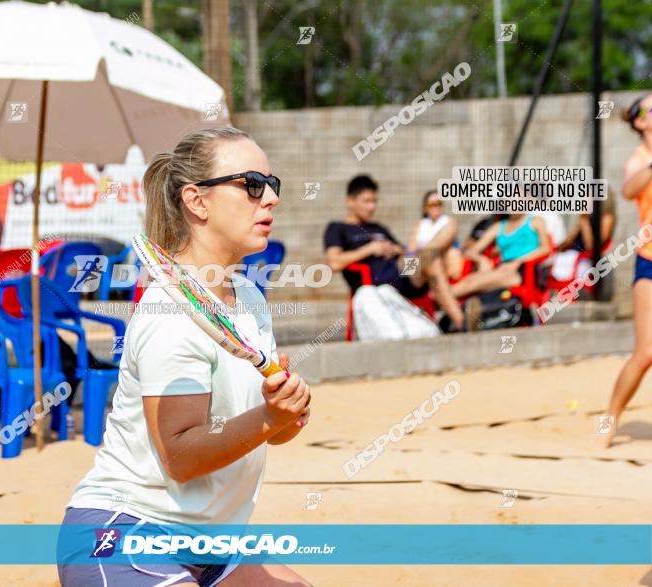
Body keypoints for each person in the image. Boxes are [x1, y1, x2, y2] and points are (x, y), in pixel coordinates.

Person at [59, 127, 312, 586]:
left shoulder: (250, 299)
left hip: (211, 545)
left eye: (273, 185)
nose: (270, 198)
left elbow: (267, 434)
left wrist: (284, 415)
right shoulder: (171, 315)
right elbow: (180, 456)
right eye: (253, 184)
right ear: (196, 201)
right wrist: (270, 419)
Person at [323, 175, 469, 330]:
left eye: (374, 201)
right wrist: (371, 248)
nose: (372, 207)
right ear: (350, 201)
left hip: (404, 273)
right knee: (431, 260)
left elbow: (404, 250)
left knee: (449, 228)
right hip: (379, 281)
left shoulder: (378, 227)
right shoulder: (337, 228)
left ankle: (460, 321)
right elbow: (334, 262)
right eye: (367, 201)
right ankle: (461, 321)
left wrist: (392, 249)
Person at [601, 93, 652, 448]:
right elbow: (630, 188)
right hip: (649, 259)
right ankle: (610, 419)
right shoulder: (640, 160)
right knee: (646, 352)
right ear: (640, 122)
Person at [451, 213, 551, 300]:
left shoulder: (535, 221)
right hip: (502, 268)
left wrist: (518, 261)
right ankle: (446, 298)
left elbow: (546, 248)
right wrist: (481, 260)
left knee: (475, 283)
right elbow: (470, 251)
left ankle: (444, 298)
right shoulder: (499, 226)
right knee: (471, 280)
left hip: (523, 271)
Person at [407, 189, 463, 281]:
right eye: (432, 204)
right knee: (409, 262)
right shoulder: (421, 224)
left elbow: (441, 244)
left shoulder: (449, 221)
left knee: (449, 254)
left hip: (442, 261)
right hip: (423, 264)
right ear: (425, 208)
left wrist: (421, 252)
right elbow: (411, 248)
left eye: (439, 204)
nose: (436, 207)